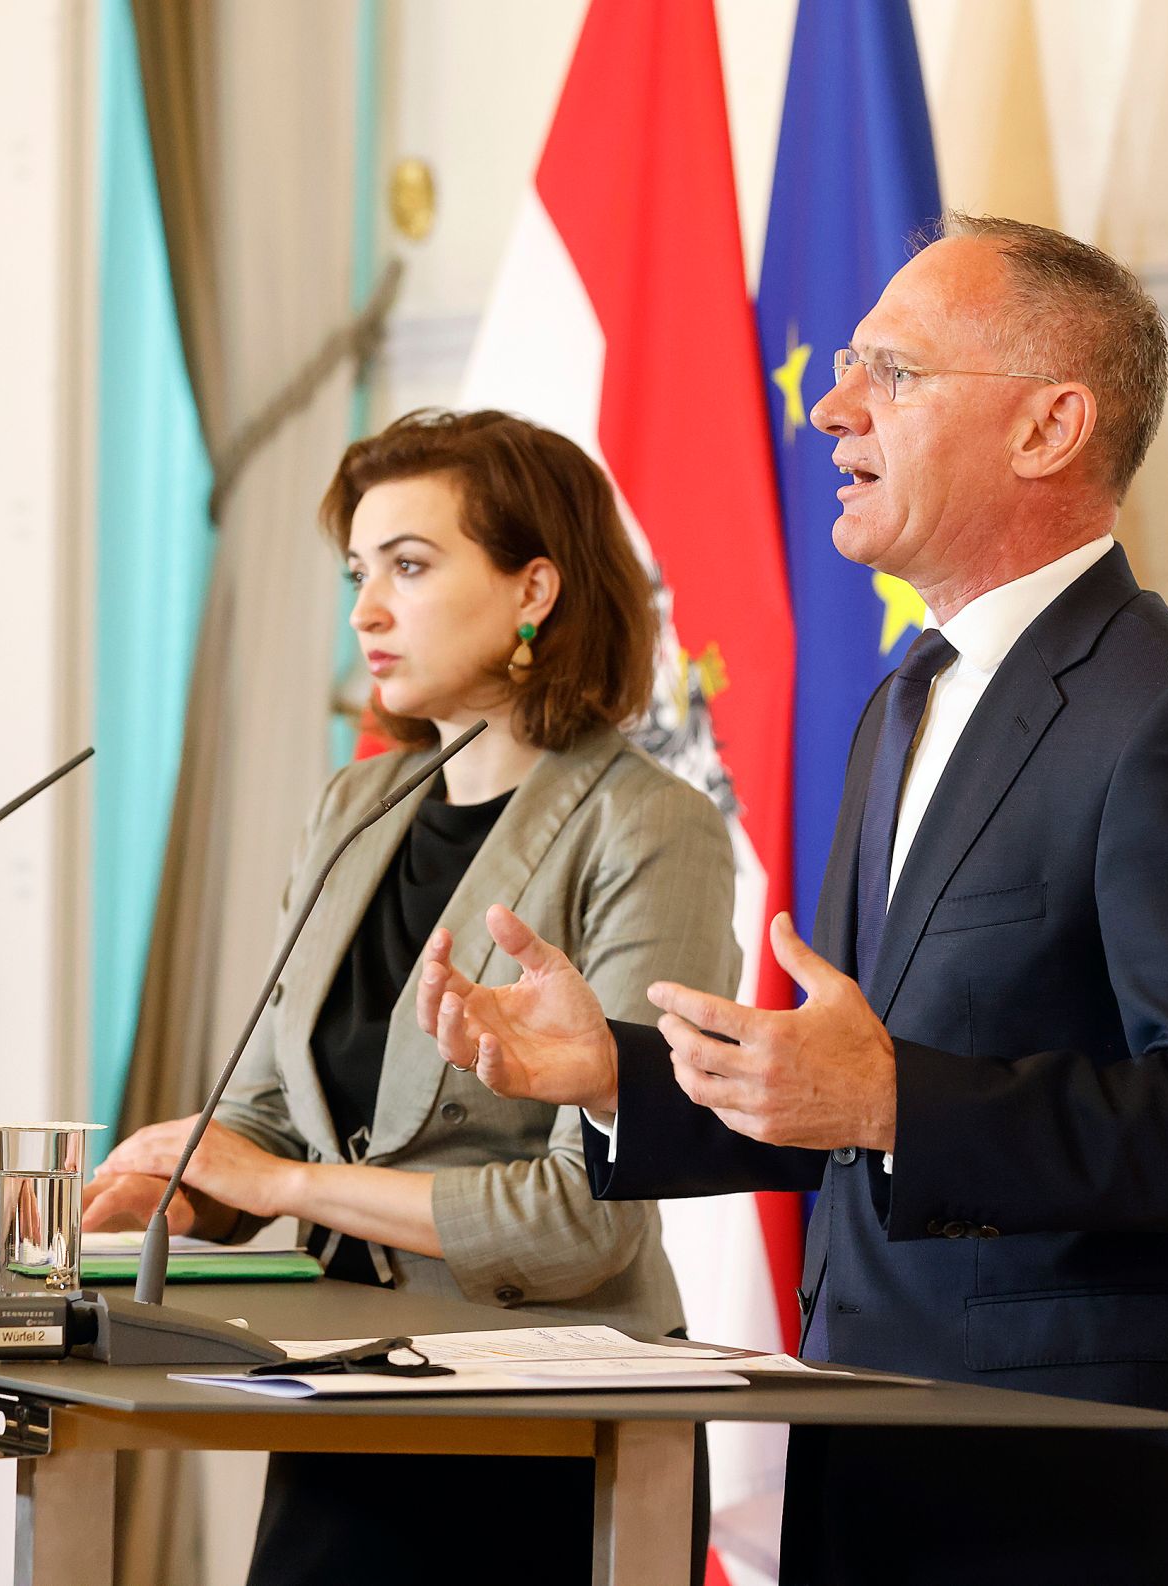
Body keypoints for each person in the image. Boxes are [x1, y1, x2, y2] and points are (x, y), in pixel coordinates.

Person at [417, 216, 1168, 1586]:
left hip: (1076, 1500)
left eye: (892, 373)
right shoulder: (900, 704)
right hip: (872, 1457)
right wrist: (622, 1077)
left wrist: (898, 1098)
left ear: (1048, 426)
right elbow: (840, 1085)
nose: (832, 408)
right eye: (844, 370)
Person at [82, 408, 739, 1585]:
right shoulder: (355, 808)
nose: (365, 611)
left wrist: (277, 1185)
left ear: (533, 585)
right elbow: (280, 1104)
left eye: (409, 566)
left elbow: (588, 1214)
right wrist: (174, 1198)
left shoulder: (651, 827)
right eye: (357, 573)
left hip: (553, 1419)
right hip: (344, 1390)